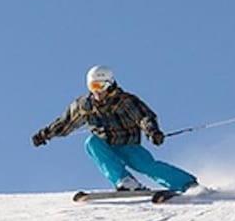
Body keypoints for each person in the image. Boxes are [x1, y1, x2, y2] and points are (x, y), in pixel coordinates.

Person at [32, 65, 198, 192]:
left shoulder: (125, 101)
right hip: (105, 144)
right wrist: (45, 134)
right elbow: (65, 123)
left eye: (98, 86)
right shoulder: (85, 105)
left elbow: (144, 117)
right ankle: (125, 181)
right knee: (91, 142)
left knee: (146, 166)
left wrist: (152, 132)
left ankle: (186, 184)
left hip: (128, 145)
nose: (95, 92)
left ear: (108, 84)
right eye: (91, 87)